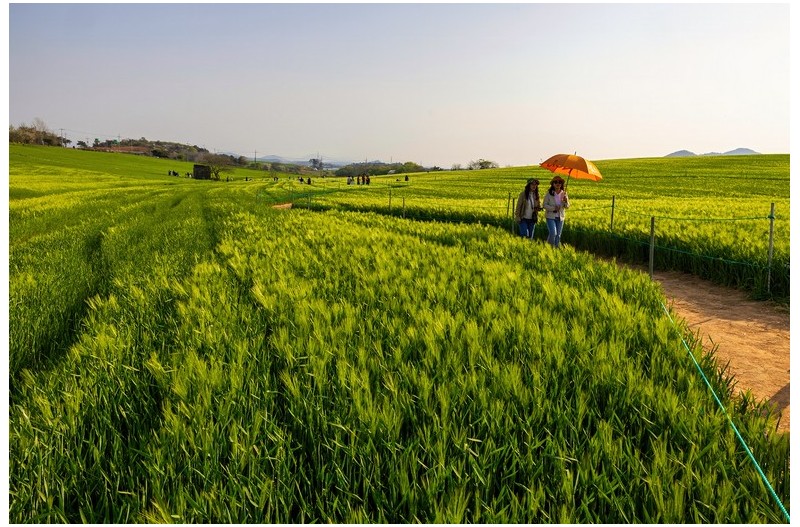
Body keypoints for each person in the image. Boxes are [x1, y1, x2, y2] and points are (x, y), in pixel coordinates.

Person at [542, 176, 569, 247]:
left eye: (560, 182)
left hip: (560, 217)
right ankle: (549, 248)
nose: (558, 183)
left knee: (558, 235)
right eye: (556, 182)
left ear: (562, 184)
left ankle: (555, 249)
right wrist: (553, 208)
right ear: (553, 184)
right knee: (553, 233)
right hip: (550, 216)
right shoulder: (549, 194)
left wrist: (566, 201)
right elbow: (544, 205)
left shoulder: (564, 194)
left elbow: (567, 206)